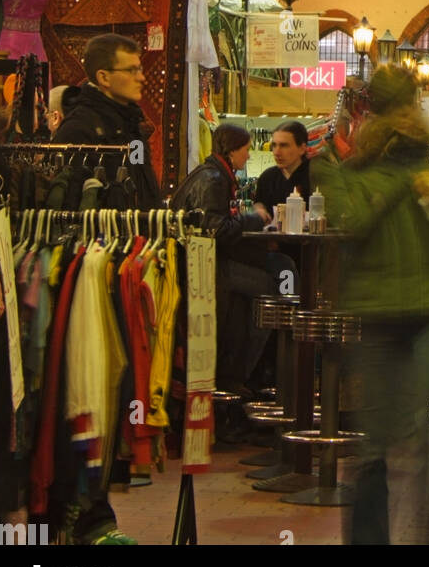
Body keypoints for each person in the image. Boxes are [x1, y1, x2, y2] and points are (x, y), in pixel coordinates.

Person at [312, 64, 429, 545]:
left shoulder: (428, 159)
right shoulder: (349, 166)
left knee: (399, 443)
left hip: (415, 312)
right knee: (385, 445)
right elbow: (352, 220)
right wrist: (404, 179)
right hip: (385, 312)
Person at [171, 124, 295, 395]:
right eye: (246, 150)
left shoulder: (211, 174)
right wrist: (252, 219)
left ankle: (241, 371)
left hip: (203, 261)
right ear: (232, 150)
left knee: (266, 283)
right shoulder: (214, 179)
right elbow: (216, 230)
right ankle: (243, 372)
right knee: (270, 290)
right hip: (205, 267)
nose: (249, 156)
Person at [46, 35, 163, 212]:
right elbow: (66, 209)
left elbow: (141, 184)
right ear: (104, 77)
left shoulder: (131, 125)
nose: (141, 78)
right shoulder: (78, 130)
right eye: (131, 70)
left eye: (140, 69)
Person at [252, 120, 310, 223]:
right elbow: (259, 203)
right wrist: (259, 210)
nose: (277, 152)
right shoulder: (267, 177)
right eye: (274, 145)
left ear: (302, 148)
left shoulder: (315, 175)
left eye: (284, 146)